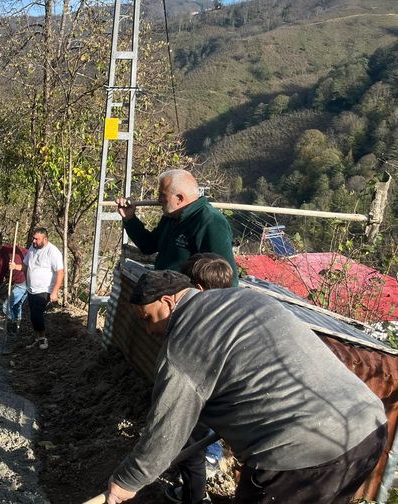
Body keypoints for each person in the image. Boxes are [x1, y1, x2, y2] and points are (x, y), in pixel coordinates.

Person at [104, 270, 387, 504]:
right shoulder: (245, 298)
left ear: (167, 302)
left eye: (148, 319)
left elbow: (166, 428)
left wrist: (128, 480)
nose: (149, 330)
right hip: (366, 428)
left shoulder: (182, 343)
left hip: (301, 456)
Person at [164, 253, 235, 504]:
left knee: (191, 451)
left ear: (199, 289)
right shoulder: (233, 313)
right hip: (226, 400)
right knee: (193, 449)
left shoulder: (203, 324)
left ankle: (194, 497)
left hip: (209, 399)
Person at [116, 169, 238, 286]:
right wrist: (130, 219)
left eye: (162, 195)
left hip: (189, 301)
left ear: (179, 198)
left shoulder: (211, 221)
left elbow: (227, 278)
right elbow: (148, 245)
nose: (158, 200)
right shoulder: (171, 217)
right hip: (165, 295)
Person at [10, 227, 64, 349]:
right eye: (33, 238)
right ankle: (37, 338)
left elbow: (60, 272)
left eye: (36, 239)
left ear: (45, 239)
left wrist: (55, 292)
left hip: (44, 290)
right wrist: (15, 266)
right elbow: (25, 266)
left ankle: (43, 339)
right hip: (31, 289)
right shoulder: (32, 248)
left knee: (37, 314)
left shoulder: (53, 252)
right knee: (32, 315)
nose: (34, 241)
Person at [0, 242, 28, 334]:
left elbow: (0, 276)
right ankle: (16, 329)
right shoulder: (12, 247)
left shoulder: (2, 257)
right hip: (29, 281)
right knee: (16, 305)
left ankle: (12, 326)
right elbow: (27, 253)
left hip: (21, 282)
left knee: (6, 306)